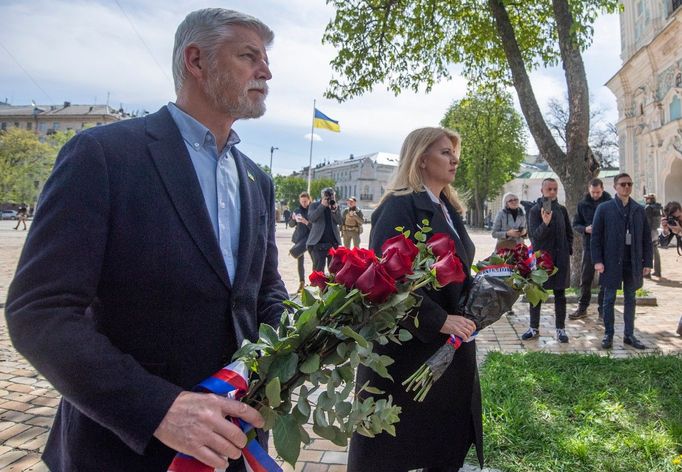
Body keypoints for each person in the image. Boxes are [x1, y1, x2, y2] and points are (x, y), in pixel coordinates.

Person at [5, 9, 288, 471]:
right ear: (196, 61)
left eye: (266, 59)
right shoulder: (103, 155)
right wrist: (158, 408)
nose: (266, 72)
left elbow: (263, 291)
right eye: (248, 56)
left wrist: (315, 335)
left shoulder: (257, 179)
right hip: (124, 448)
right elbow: (39, 313)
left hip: (232, 442)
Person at [348, 127, 482, 472]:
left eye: (455, 153)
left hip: (446, 351)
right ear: (421, 159)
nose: (454, 159)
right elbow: (387, 279)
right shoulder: (398, 206)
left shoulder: (449, 207)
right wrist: (438, 319)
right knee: (394, 451)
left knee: (442, 444)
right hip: (408, 351)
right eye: (444, 153)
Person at [591, 173, 652, 350]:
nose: (626, 187)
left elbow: (646, 239)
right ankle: (608, 334)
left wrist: (647, 262)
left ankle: (629, 335)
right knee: (608, 299)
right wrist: (597, 261)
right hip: (610, 262)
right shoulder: (604, 208)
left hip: (633, 262)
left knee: (630, 299)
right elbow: (596, 238)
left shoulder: (639, 210)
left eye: (629, 184)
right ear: (615, 187)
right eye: (623, 184)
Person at [522, 178, 573, 343]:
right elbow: (534, 237)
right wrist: (545, 223)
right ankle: (533, 327)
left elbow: (569, 233)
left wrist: (567, 250)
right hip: (542, 261)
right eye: (549, 189)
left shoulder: (562, 210)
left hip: (561, 259)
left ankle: (560, 329)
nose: (552, 192)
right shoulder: (534, 211)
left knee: (560, 295)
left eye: (555, 189)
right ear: (542, 191)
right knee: (536, 294)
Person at [569, 178, 611, 320]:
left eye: (598, 192)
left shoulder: (610, 203)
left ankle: (602, 309)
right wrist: (585, 229)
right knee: (586, 277)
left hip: (607, 245)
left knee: (605, 279)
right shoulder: (583, 204)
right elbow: (576, 224)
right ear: (589, 190)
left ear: (602, 189)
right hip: (589, 245)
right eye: (593, 192)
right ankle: (582, 307)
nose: (595, 195)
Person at [306, 187, 342, 272]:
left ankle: (330, 285)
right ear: (322, 196)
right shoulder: (314, 205)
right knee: (318, 271)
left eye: (332, 196)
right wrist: (322, 206)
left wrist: (334, 211)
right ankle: (316, 285)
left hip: (333, 243)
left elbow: (340, 221)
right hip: (318, 244)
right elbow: (311, 218)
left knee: (334, 271)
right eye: (328, 196)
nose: (330, 198)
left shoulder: (335, 206)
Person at [289, 192, 312, 291]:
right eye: (302, 201)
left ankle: (314, 282)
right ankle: (301, 283)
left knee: (315, 260)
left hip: (310, 238)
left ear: (309, 200)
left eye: (305, 201)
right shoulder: (297, 210)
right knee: (300, 261)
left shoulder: (312, 210)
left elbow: (316, 227)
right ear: (299, 201)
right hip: (299, 238)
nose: (304, 203)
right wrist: (293, 219)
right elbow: (291, 225)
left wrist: (306, 222)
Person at [644, 193, 663, 277]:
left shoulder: (648, 207)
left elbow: (647, 221)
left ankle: (647, 273)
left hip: (649, 231)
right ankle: (658, 271)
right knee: (655, 251)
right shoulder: (659, 207)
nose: (646, 200)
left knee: (647, 252)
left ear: (650, 199)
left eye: (647, 198)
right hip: (656, 230)